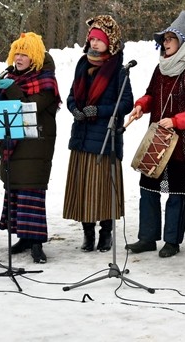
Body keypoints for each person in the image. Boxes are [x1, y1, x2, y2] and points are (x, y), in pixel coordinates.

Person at [125, 10, 185, 258]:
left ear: (182, 42)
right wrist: (142, 105)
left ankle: (172, 241)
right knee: (148, 189)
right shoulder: (160, 68)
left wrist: (175, 121)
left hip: (182, 143)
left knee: (176, 193)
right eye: (164, 39)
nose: (166, 43)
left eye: (170, 39)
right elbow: (152, 94)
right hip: (157, 140)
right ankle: (147, 237)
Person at [63, 15, 134, 253]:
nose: (94, 43)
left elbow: (125, 103)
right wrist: (75, 109)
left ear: (110, 42)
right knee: (83, 187)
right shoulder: (82, 64)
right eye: (92, 39)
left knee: (103, 188)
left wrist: (100, 111)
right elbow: (72, 95)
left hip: (105, 138)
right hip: (82, 136)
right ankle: (87, 233)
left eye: (99, 39)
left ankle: (106, 233)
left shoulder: (118, 69)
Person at [0, 32, 61, 263]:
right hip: (13, 144)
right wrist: (0, 89)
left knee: (31, 191)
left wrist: (11, 88)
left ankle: (36, 243)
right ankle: (23, 236)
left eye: (24, 54)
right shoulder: (11, 77)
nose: (19, 58)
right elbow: (1, 111)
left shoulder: (46, 81)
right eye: (17, 53)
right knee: (15, 190)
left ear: (34, 57)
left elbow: (30, 107)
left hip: (36, 145)